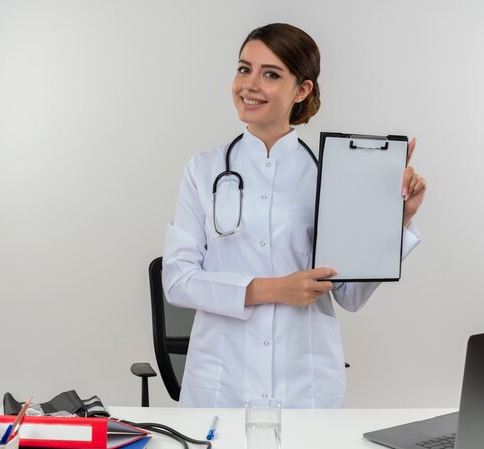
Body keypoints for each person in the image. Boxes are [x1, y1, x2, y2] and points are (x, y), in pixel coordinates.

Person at [162, 23, 426, 408]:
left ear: (301, 90)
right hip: (222, 381)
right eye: (243, 69)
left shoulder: (332, 177)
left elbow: (349, 295)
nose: (249, 85)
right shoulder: (203, 170)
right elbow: (178, 280)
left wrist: (393, 221)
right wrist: (274, 289)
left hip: (304, 381)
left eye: (270, 74)